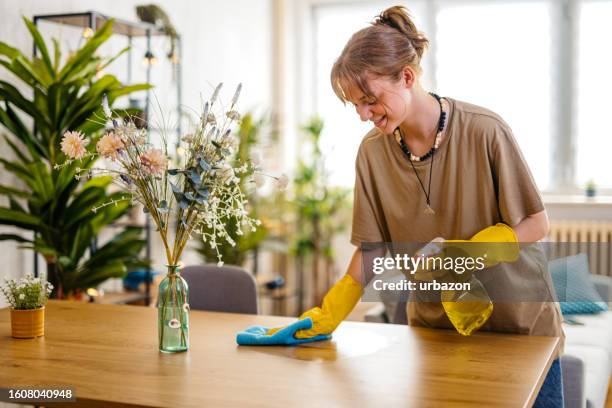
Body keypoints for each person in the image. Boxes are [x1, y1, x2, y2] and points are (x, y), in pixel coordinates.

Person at [248, 5, 564, 407]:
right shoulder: (372, 154)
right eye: (354, 105)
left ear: (408, 77)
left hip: (520, 332)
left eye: (370, 100)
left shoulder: (486, 130)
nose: (363, 114)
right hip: (437, 332)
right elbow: (372, 252)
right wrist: (331, 311)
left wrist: (470, 253)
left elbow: (537, 223)